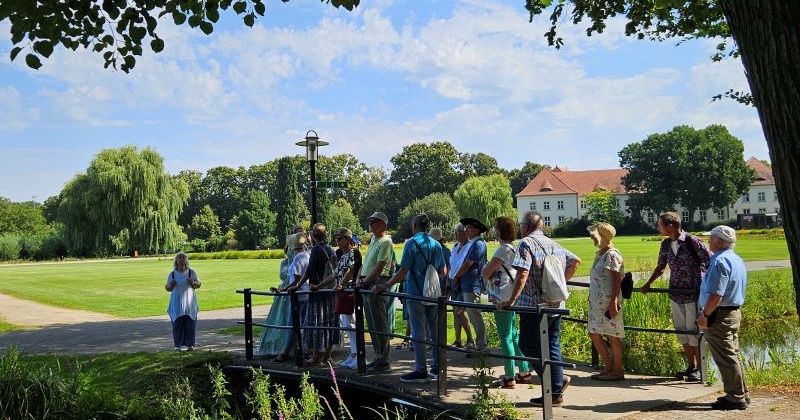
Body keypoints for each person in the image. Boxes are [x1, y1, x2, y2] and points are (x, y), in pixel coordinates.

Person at [500, 211, 580, 408]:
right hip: (555, 304)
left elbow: (523, 272)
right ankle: (555, 390)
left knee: (527, 345)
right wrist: (558, 285)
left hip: (532, 305)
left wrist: (511, 300)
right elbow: (575, 261)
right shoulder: (553, 244)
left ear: (526, 226)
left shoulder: (526, 243)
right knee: (552, 345)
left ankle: (554, 383)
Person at [375, 214, 446, 383]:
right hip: (433, 294)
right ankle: (437, 367)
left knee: (418, 331)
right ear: (427, 227)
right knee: (435, 331)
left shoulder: (411, 244)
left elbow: (402, 271)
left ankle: (421, 370)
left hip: (415, 293)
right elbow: (443, 272)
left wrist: (386, 285)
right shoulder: (436, 244)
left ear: (414, 226)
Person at [641, 212, 711, 382]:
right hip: (675, 293)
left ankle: (701, 370)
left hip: (692, 293)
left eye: (660, 225)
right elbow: (661, 265)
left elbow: (709, 261)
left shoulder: (691, 241)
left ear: (670, 226)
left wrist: (706, 285)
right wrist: (648, 283)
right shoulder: (665, 244)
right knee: (682, 332)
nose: (658, 228)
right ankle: (691, 367)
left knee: (693, 332)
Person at [697, 225, 750, 410]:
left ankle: (735, 397)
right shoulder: (735, 259)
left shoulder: (719, 261)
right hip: (732, 312)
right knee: (733, 354)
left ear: (719, 241)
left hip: (719, 314)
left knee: (726, 357)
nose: (708, 241)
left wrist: (705, 315)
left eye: (711, 238)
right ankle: (741, 392)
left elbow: (716, 295)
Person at [482, 216, 531, 389]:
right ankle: (524, 371)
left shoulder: (502, 250)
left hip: (501, 296)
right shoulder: (514, 248)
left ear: (501, 231)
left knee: (505, 336)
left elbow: (486, 271)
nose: (494, 230)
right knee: (513, 333)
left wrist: (485, 270)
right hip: (512, 294)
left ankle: (509, 376)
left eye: (496, 228)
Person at [356, 211, 396, 373]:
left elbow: (380, 266)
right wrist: (359, 277)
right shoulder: (374, 240)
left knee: (379, 322)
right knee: (372, 323)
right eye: (371, 222)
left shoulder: (386, 242)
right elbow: (367, 263)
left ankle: (383, 360)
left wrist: (364, 281)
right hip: (367, 282)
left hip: (375, 282)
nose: (371, 225)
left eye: (375, 222)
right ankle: (378, 357)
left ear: (384, 225)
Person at [587, 222, 626, 381]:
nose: (592, 239)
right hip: (598, 302)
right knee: (594, 333)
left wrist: (614, 302)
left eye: (594, 236)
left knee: (613, 336)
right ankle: (609, 367)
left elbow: (617, 280)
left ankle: (617, 371)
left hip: (608, 303)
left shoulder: (612, 254)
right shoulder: (602, 254)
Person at [296, 223, 338, 365]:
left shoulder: (315, 250)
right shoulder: (331, 249)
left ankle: (316, 356)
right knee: (330, 323)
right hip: (330, 292)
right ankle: (328, 355)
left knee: (315, 324)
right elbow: (335, 271)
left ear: (313, 236)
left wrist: (298, 286)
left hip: (317, 292)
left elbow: (309, 271)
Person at [257, 233, 300, 355]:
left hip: (291, 285)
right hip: (288, 285)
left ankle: (291, 348)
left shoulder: (301, 255)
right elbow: (283, 275)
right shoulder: (288, 260)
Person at [451, 217, 488, 353]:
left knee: (475, 316)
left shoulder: (477, 244)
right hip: (468, 284)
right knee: (472, 316)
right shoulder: (475, 243)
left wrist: (457, 275)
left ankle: (481, 346)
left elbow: (468, 264)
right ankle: (480, 345)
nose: (466, 230)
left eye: (469, 228)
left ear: (476, 230)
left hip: (472, 285)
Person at [272, 232, 310, 363]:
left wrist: (284, 289)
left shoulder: (297, 258)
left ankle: (286, 351)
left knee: (292, 323)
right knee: (303, 323)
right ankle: (303, 350)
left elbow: (297, 279)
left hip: (298, 295)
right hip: (306, 293)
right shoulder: (307, 255)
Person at [332, 228, 362, 369]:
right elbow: (335, 274)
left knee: (351, 324)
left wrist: (342, 285)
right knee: (346, 324)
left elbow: (351, 270)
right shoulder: (341, 255)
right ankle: (354, 353)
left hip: (350, 293)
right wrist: (320, 285)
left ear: (348, 240)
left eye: (340, 239)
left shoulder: (354, 253)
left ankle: (358, 355)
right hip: (342, 293)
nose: (337, 242)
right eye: (337, 239)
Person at [165, 252, 201, 351]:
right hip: (177, 303)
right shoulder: (172, 274)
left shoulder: (191, 272)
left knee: (190, 323)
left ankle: (190, 345)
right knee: (177, 323)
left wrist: (193, 282)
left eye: (184, 258)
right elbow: (167, 288)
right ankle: (178, 346)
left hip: (189, 302)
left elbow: (198, 285)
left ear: (186, 260)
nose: (182, 259)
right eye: (180, 258)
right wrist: (171, 285)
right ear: (176, 261)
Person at [448, 223, 474, 349]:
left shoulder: (469, 247)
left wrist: (457, 277)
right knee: (455, 312)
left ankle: (470, 339)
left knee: (459, 311)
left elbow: (465, 265)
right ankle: (458, 339)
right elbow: (452, 264)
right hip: (453, 281)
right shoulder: (455, 246)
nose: (455, 234)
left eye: (457, 232)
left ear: (464, 233)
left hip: (462, 282)